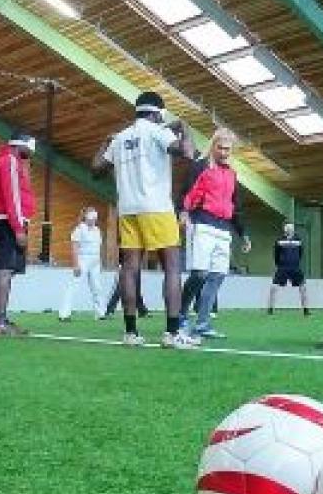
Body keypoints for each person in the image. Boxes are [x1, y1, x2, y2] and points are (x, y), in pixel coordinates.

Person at [93, 91, 197, 349]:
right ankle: (172, 334)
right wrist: (184, 127)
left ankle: (130, 332)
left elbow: (95, 169)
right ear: (158, 113)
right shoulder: (157, 132)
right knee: (172, 267)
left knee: (130, 268)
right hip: (157, 208)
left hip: (128, 210)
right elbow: (189, 152)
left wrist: (106, 143)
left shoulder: (120, 138)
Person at [179, 129, 251, 339]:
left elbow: (235, 206)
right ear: (213, 146)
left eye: (227, 149)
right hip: (202, 225)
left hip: (224, 230)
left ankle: (202, 323)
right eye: (220, 148)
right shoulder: (199, 166)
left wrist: (243, 233)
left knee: (217, 276)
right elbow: (186, 192)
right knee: (199, 274)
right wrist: (183, 212)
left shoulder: (232, 173)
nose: (223, 152)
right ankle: (180, 317)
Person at [0, 131, 36, 336]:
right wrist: (18, 228)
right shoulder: (10, 161)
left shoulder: (6, 160)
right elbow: (13, 196)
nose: (32, 152)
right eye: (30, 147)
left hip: (4, 221)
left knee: (0, 270)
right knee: (5, 271)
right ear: (20, 144)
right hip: (9, 222)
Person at [59, 206, 105, 321]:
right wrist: (76, 265)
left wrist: (100, 263)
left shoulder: (97, 230)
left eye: (95, 217)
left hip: (95, 261)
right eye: (91, 217)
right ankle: (64, 314)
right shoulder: (79, 229)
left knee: (97, 287)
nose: (94, 219)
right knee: (74, 286)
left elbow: (99, 248)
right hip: (83, 259)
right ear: (86, 217)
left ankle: (100, 313)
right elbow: (74, 248)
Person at [268, 222, 310, 315]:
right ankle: (270, 309)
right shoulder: (279, 240)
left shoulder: (298, 240)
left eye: (291, 228)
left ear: (293, 229)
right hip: (282, 268)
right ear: (284, 229)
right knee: (273, 288)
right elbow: (276, 255)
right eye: (287, 227)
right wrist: (280, 264)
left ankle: (306, 310)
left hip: (295, 268)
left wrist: (295, 262)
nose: (289, 229)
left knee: (303, 288)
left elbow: (300, 253)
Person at [102, 251, 149, 319]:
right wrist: (120, 263)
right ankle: (109, 310)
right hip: (127, 265)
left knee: (136, 288)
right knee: (121, 288)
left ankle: (142, 310)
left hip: (134, 264)